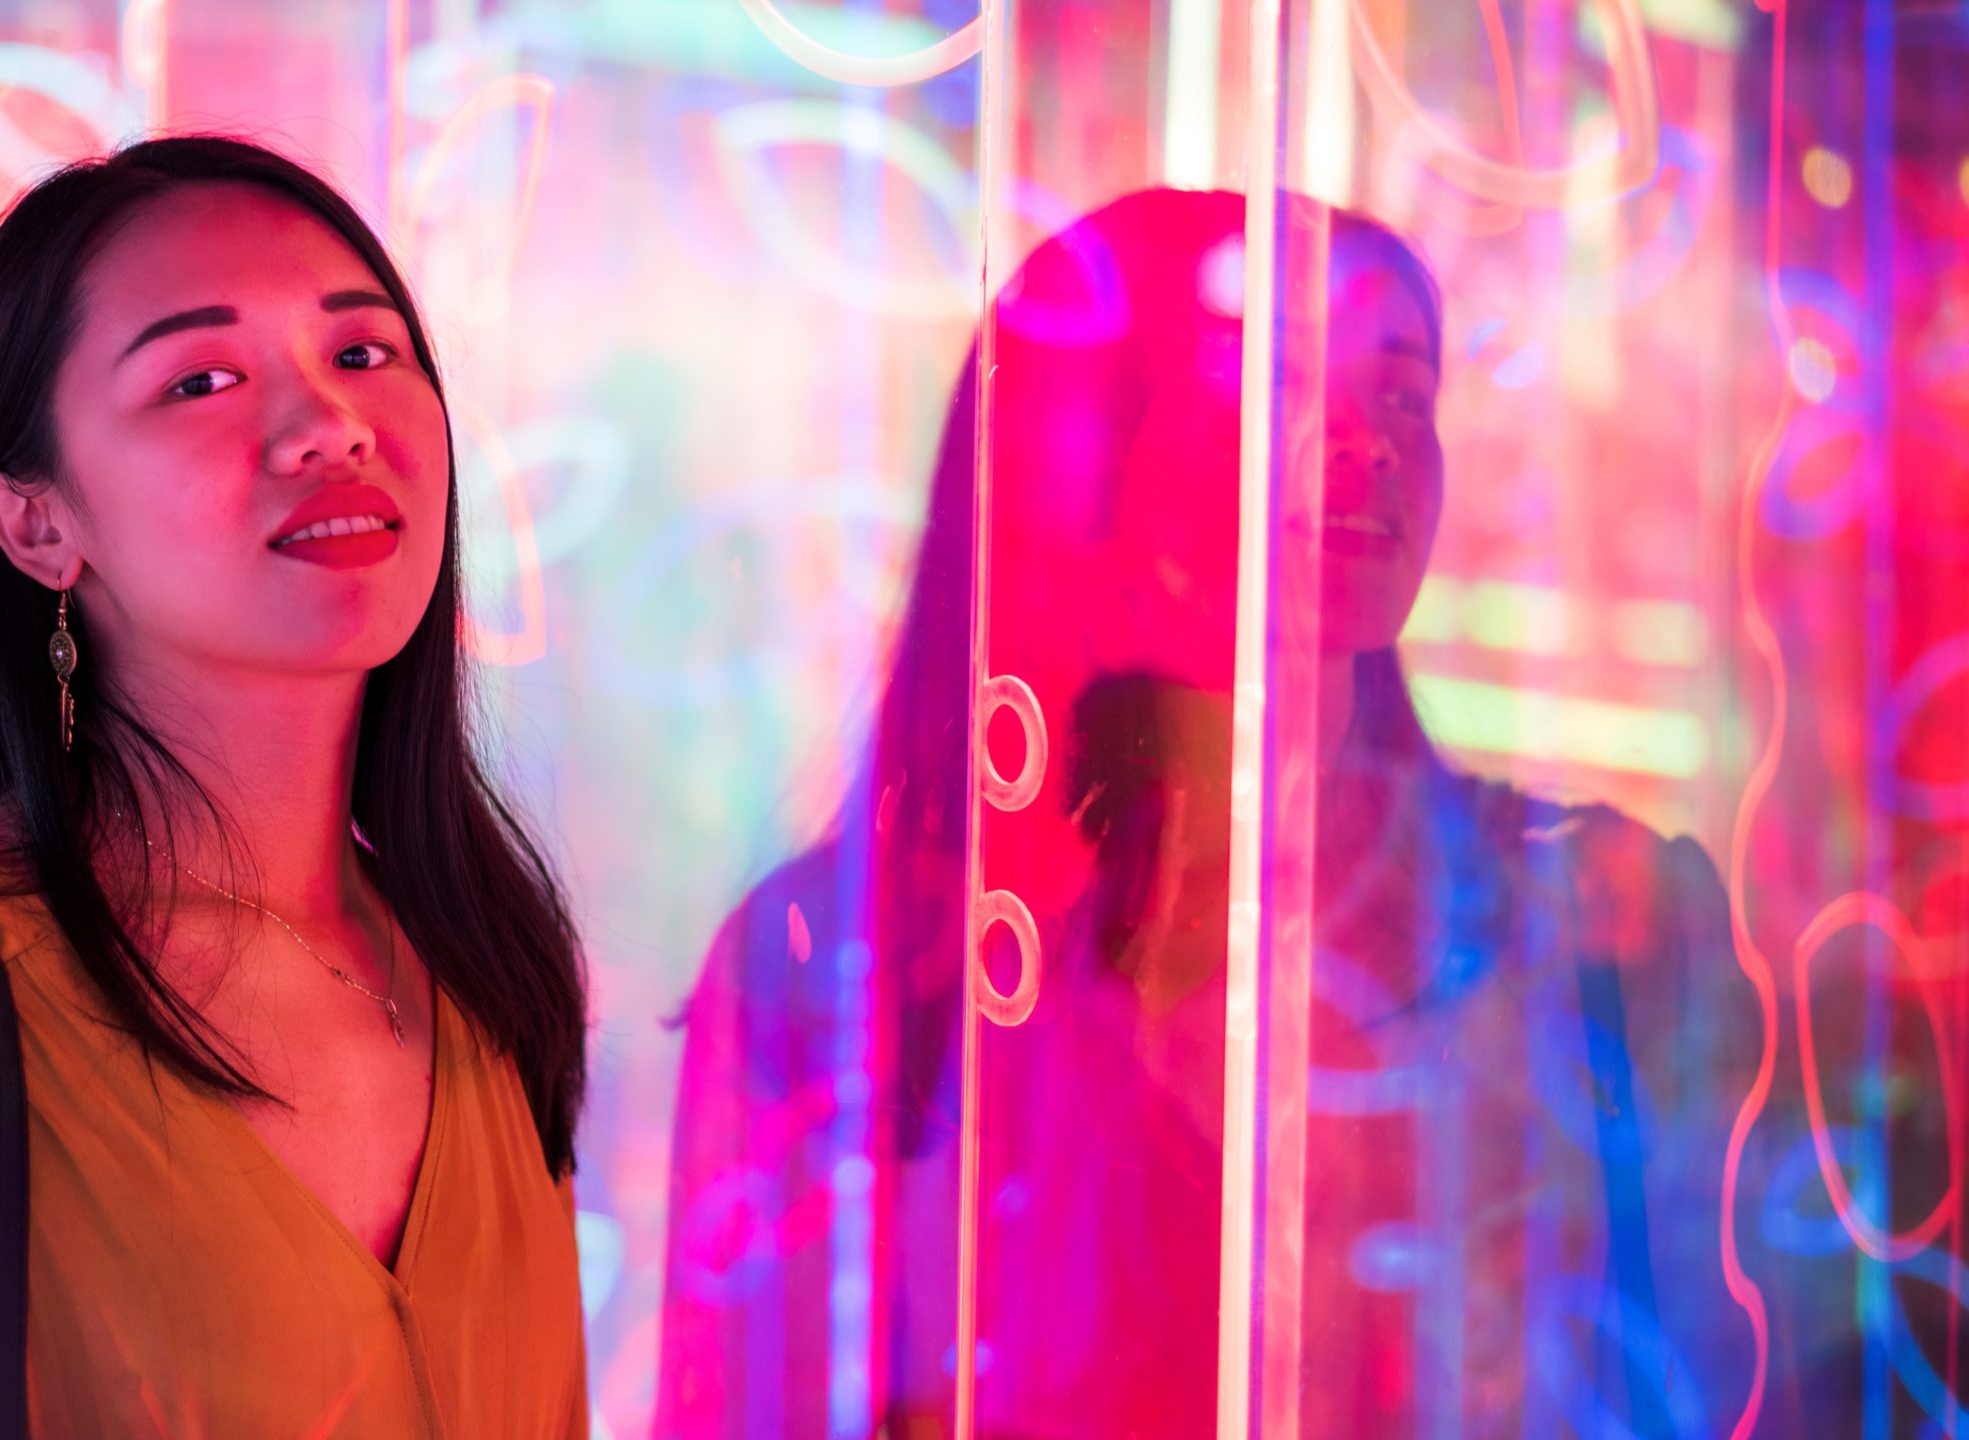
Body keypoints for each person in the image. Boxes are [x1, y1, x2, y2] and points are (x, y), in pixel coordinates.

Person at [660, 189, 1752, 1436]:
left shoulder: (1586, 921)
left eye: (1402, 391)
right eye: (1283, 381)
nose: (1367, 441)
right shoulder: (838, 970)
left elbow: (1713, 1376)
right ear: (1085, 455)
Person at [0, 135, 590, 1437]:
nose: (330, 424)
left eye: (362, 352)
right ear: (35, 524)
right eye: (201, 378)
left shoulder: (484, 972)